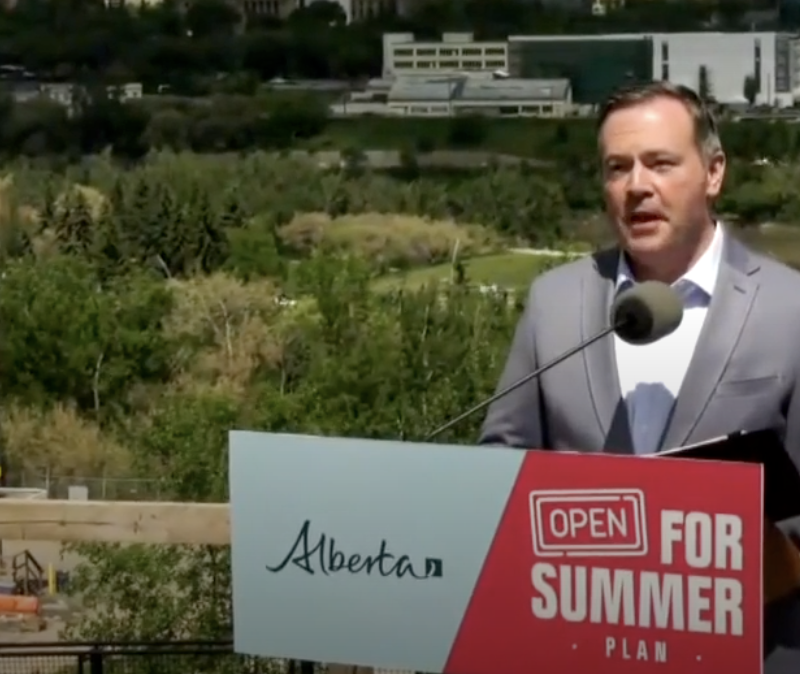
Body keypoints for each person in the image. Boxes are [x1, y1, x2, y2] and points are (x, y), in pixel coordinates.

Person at [479, 81, 800, 671]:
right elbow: (500, 459)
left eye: (660, 163)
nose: (636, 186)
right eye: (617, 167)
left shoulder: (790, 308)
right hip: (579, 647)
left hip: (747, 648)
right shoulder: (555, 301)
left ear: (713, 172)